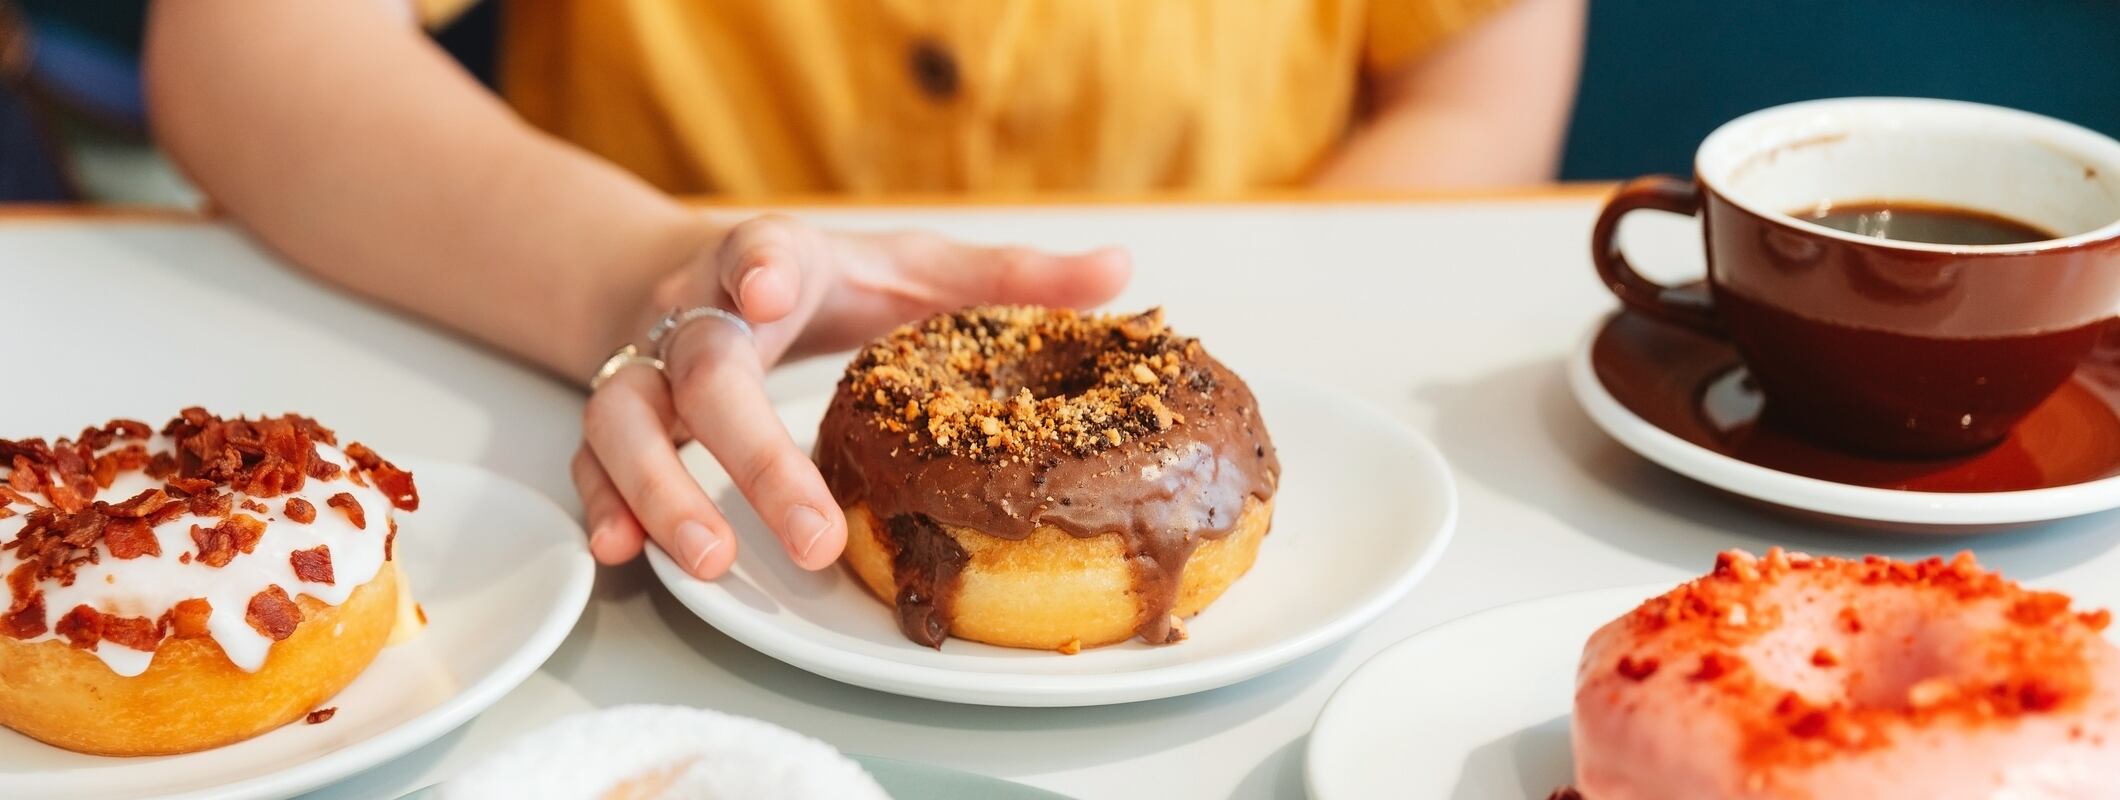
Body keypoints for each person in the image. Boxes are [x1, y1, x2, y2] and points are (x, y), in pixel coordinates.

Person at [142, 0, 1583, 578]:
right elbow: (245, 43)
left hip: (1309, 504)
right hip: (680, 482)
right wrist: (631, 272)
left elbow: (1475, 79)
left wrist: (1241, 370)